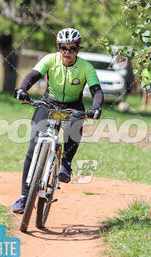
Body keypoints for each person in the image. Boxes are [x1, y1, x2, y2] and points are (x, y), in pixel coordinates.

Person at [11, 28, 104, 214]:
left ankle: (66, 163)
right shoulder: (50, 59)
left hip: (72, 106)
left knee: (75, 127)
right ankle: (23, 196)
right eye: (63, 48)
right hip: (48, 103)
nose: (67, 52)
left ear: (78, 49)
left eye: (72, 48)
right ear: (58, 47)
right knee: (32, 148)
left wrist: (96, 108)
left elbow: (96, 90)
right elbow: (32, 76)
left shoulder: (86, 67)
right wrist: (23, 90)